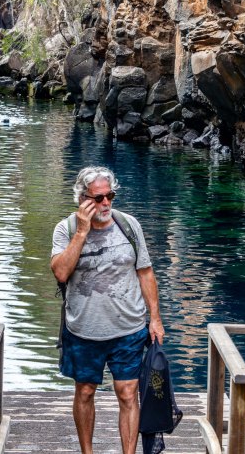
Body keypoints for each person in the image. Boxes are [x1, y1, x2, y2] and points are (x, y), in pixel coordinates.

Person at [51, 166, 165, 454]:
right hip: (83, 330)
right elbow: (61, 273)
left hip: (128, 328)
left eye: (109, 196)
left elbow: (146, 273)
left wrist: (155, 319)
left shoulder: (129, 225)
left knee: (128, 394)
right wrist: (82, 232)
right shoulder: (65, 229)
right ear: (82, 199)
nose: (105, 204)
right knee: (86, 392)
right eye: (98, 198)